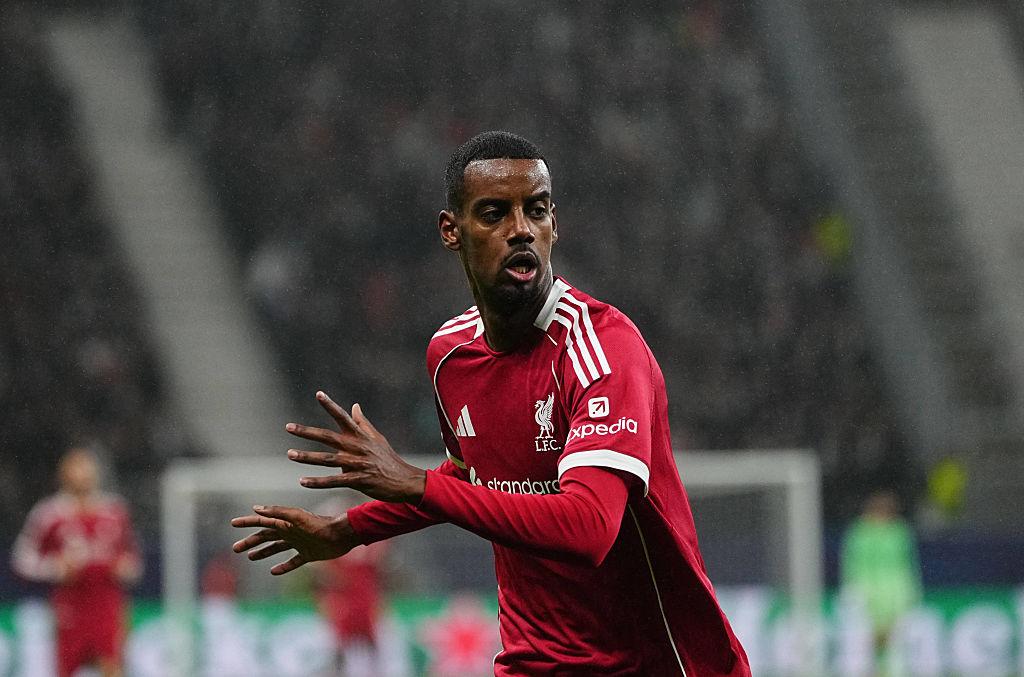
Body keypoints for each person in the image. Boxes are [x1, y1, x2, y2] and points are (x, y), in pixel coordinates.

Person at [232, 131, 751, 676]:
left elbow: (590, 527)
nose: (521, 229)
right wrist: (350, 529)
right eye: (494, 213)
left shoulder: (601, 348)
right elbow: (470, 476)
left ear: (554, 225)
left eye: (536, 210)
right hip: (531, 661)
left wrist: (416, 484)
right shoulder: (450, 356)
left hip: (655, 666)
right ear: (451, 231)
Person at [12, 446, 142, 677]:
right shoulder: (48, 513)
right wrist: (54, 568)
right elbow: (22, 559)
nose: (82, 474)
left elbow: (133, 559)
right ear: (63, 474)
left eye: (86, 468)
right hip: (70, 606)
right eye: (76, 468)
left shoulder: (114, 510)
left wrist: (125, 568)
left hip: (107, 603)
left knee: (112, 668)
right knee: (68, 668)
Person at [840, 490, 922, 673]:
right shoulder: (860, 532)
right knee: (861, 643)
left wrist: (910, 593)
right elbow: (851, 563)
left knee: (896, 644)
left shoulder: (899, 532)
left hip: (895, 593)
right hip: (864, 591)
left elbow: (907, 564)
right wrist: (852, 590)